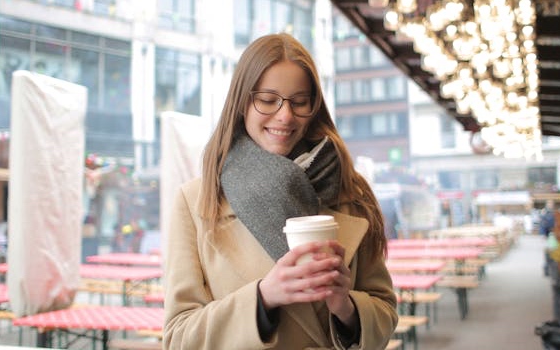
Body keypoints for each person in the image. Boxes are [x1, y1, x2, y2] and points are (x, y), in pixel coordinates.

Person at [163, 33, 397, 349]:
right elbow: (178, 337)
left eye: (300, 102)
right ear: (242, 102)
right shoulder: (195, 202)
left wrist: (346, 306)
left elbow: (384, 310)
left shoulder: (351, 193)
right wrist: (263, 299)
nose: (285, 116)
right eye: (268, 100)